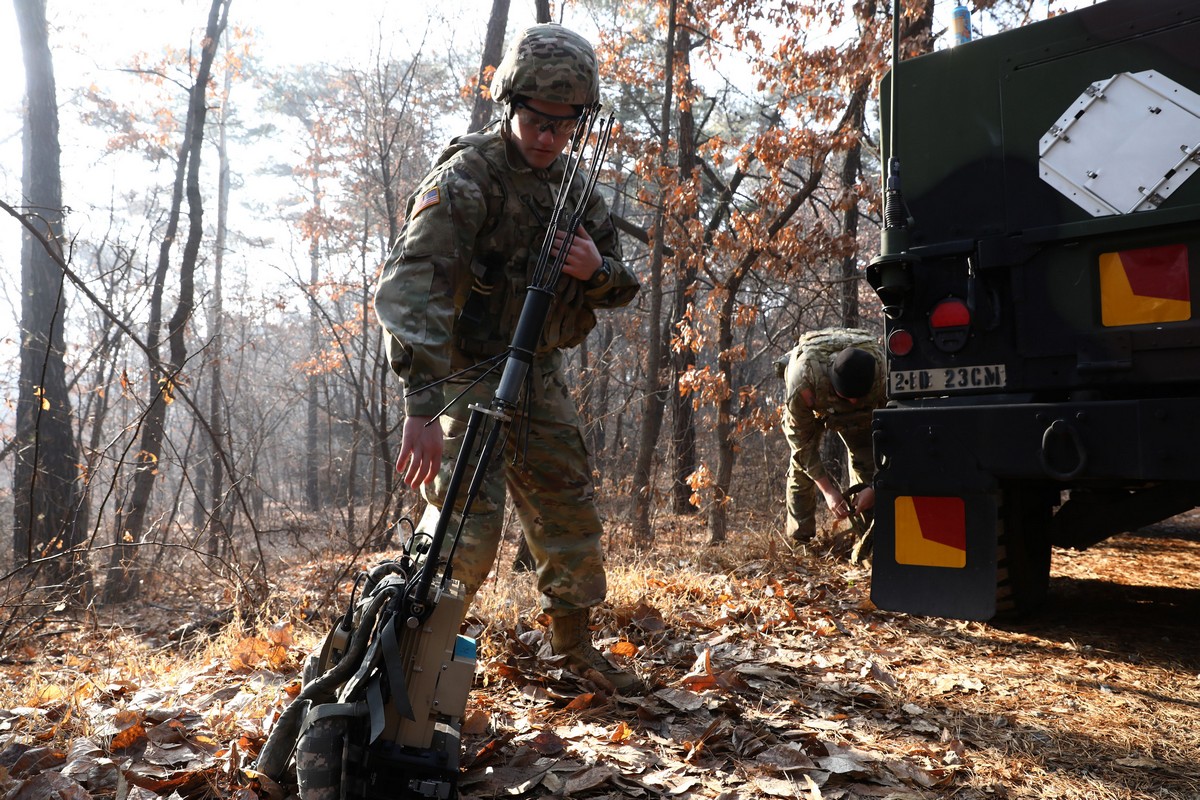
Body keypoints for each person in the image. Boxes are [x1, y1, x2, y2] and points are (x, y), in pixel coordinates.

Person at [373, 24, 643, 694]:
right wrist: (422, 406)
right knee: (464, 529)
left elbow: (623, 283)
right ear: (509, 105)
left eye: (563, 124)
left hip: (539, 377)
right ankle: (418, 664)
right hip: (465, 377)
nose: (547, 136)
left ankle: (575, 649)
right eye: (534, 119)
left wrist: (594, 268)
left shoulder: (575, 191)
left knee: (569, 510)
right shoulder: (467, 179)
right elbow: (411, 292)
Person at [778, 328, 885, 543]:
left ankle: (869, 538)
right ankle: (800, 541)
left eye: (858, 398)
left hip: (864, 415)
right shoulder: (804, 380)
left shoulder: (884, 376)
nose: (852, 403)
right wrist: (828, 491)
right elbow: (803, 446)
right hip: (818, 405)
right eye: (847, 397)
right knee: (801, 467)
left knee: (867, 460)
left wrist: (876, 487)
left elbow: (898, 438)